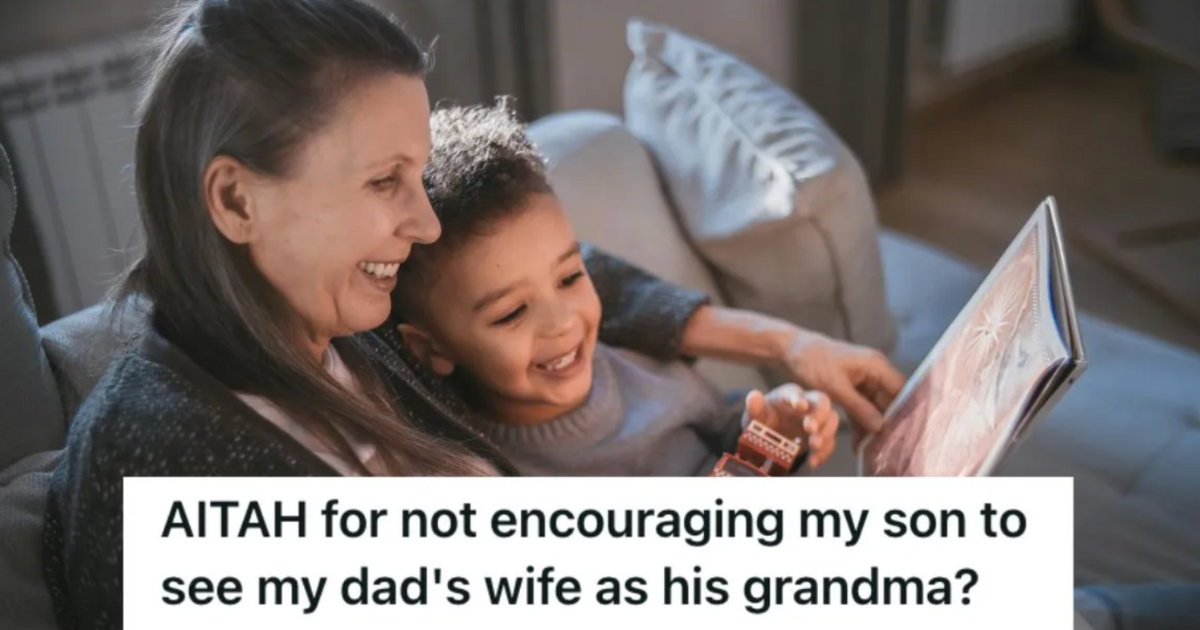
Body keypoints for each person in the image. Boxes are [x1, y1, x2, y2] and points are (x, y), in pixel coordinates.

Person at [41, 0, 905, 628]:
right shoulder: (158, 459)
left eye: (417, 177)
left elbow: (535, 270)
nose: (421, 224)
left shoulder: (346, 315)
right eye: (384, 181)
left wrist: (790, 345)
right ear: (236, 200)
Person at [390, 102, 840, 476]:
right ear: (432, 349)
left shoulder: (638, 366)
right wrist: (761, 458)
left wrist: (778, 427)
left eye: (569, 277)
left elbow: (728, 432)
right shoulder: (499, 472)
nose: (562, 320)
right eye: (511, 313)